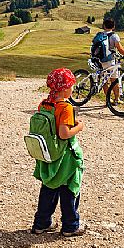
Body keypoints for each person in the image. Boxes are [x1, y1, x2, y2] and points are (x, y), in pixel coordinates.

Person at [31, 68, 86, 237]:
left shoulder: (44, 105)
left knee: (49, 187)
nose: (72, 90)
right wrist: (79, 126)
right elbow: (63, 133)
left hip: (48, 155)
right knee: (69, 188)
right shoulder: (65, 108)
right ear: (64, 88)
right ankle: (70, 226)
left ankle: (41, 224)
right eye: (71, 86)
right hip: (64, 157)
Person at [92, 18, 124, 103]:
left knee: (104, 81)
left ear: (104, 26)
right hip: (110, 61)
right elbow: (120, 49)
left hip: (100, 61)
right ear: (114, 26)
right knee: (114, 81)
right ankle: (116, 99)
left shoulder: (100, 35)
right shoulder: (114, 36)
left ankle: (108, 100)